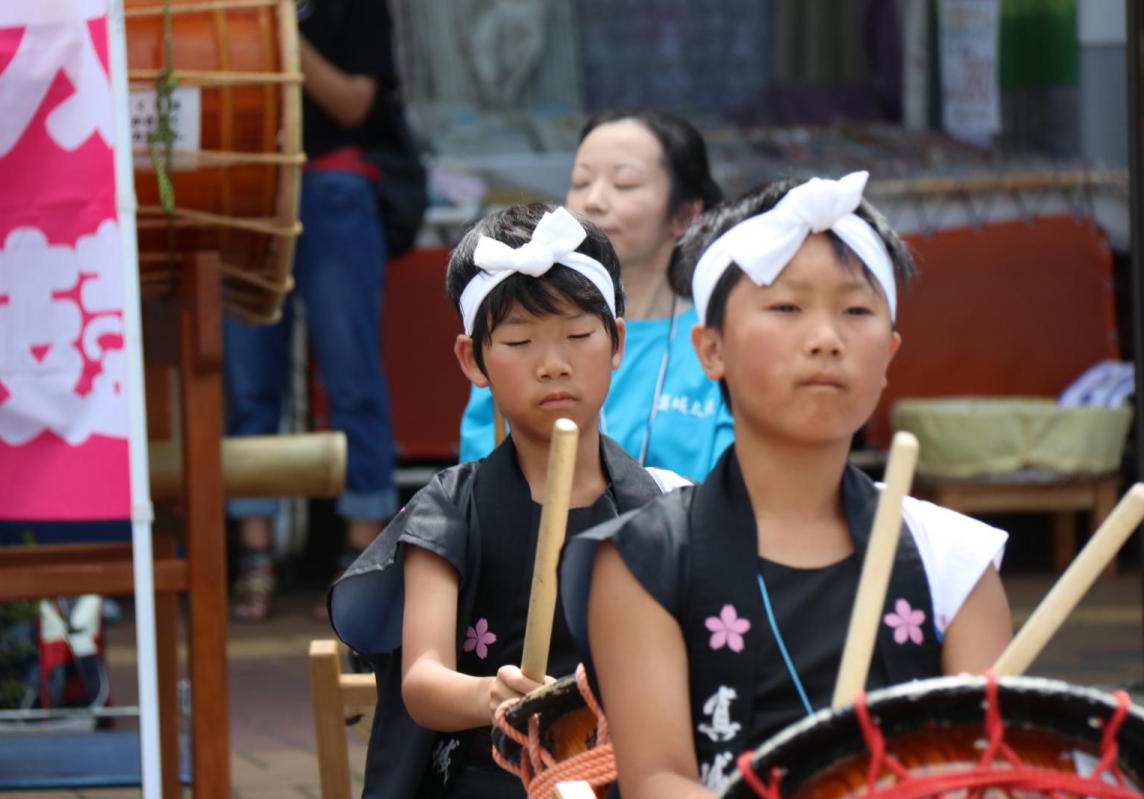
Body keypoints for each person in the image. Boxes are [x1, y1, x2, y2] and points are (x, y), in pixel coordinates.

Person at [560, 172, 1014, 796]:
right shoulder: (647, 559)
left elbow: (986, 774)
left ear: (890, 352)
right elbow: (658, 780)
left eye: (856, 311)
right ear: (710, 348)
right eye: (787, 307)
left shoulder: (954, 559)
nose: (826, 339)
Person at [328, 204, 687, 797]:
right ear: (474, 360)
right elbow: (422, 680)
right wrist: (490, 695)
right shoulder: (449, 508)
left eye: (578, 335)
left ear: (617, 342)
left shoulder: (665, 505)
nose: (553, 365)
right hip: (489, 777)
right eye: (519, 341)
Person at [223, 0, 401, 621]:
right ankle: (254, 555)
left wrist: (278, 29)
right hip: (246, 189)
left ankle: (363, 553)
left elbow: (353, 103)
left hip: (333, 188)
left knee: (351, 373)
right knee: (248, 381)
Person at [458, 111, 733, 481]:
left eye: (625, 184)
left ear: (686, 214)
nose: (595, 201)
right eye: (581, 181)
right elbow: (484, 479)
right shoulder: (513, 332)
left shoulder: (723, 339)